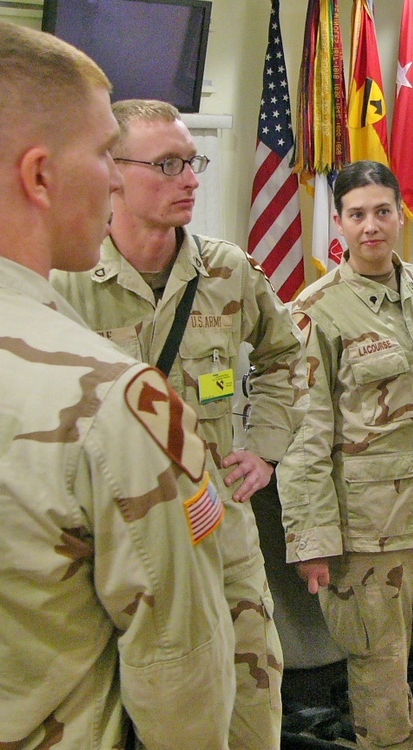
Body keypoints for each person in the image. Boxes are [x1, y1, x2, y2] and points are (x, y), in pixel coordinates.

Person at [0, 22, 235, 749]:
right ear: (40, 176)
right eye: (105, 152)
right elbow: (182, 685)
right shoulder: (109, 399)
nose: (115, 176)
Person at [51, 99, 306, 750]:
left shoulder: (228, 272)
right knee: (109, 707)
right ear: (113, 172)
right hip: (114, 540)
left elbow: (284, 355)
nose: (190, 179)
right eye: (167, 164)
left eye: (192, 162)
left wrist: (265, 449)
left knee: (251, 691)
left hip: (214, 520)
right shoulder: (67, 281)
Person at [278, 160, 413, 750]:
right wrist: (311, 540)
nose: (372, 226)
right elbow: (305, 437)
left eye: (383, 211)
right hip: (368, 527)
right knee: (380, 672)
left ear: (399, 215)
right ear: (337, 223)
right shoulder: (315, 312)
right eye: (357, 214)